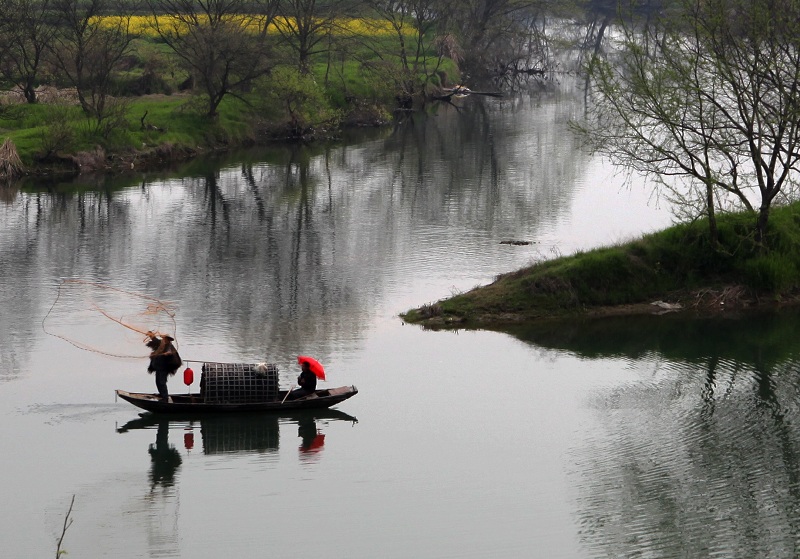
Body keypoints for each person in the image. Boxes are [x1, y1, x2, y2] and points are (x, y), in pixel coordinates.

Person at [146, 333, 182, 401]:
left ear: (168, 340)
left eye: (165, 339)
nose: (164, 340)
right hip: (158, 367)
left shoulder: (169, 346)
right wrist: (151, 335)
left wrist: (167, 354)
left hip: (164, 368)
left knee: (162, 382)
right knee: (157, 381)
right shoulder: (161, 344)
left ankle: (165, 398)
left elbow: (170, 352)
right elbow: (155, 340)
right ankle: (162, 394)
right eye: (163, 338)